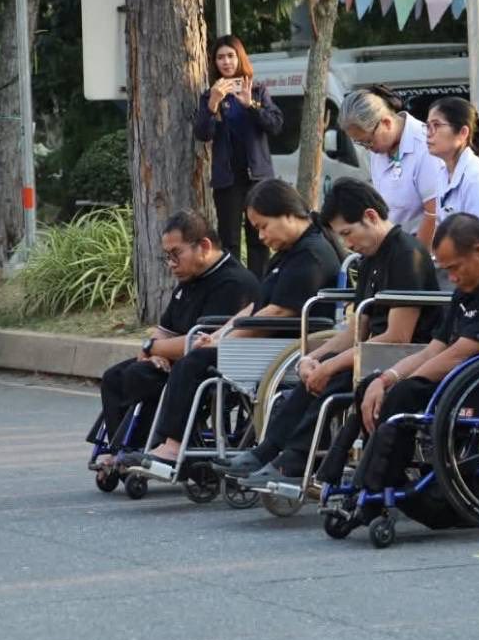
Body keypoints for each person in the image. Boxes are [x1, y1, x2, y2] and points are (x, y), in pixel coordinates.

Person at [219, 179, 439, 484]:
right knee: (314, 372)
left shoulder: (406, 254)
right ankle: (268, 449)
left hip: (404, 355)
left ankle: (293, 462)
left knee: (332, 377)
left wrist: (331, 365)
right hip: (374, 350)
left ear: (371, 217)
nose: (347, 244)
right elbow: (357, 328)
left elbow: (397, 336)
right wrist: (316, 356)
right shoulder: (370, 259)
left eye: (348, 233)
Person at [119, 179, 341, 472]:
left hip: (287, 345)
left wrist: (227, 341)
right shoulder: (288, 253)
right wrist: (219, 334)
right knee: (196, 353)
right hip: (266, 341)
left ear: (288, 214)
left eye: (263, 226)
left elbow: (276, 314)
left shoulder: (311, 255)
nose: (260, 235)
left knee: (194, 362)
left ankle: (173, 447)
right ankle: (158, 443)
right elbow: (257, 305)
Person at [347, 214, 479, 505]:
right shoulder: (464, 294)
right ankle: (362, 480)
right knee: (369, 387)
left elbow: (456, 354)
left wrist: (400, 383)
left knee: (403, 394)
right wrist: (384, 378)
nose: (451, 278)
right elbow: (432, 351)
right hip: (460, 383)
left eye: (454, 268)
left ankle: (376, 486)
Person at [92, 211, 258, 461]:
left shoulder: (233, 283)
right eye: (166, 257)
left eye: (175, 254)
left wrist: (153, 348)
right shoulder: (190, 279)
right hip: (177, 359)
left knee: (142, 376)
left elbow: (200, 341)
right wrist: (153, 353)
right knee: (114, 376)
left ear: (203, 246)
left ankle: (140, 450)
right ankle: (120, 450)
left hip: (211, 363)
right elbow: (165, 330)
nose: (171, 263)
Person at [194, 35, 283, 275]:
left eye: (231, 56)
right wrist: (213, 103)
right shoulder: (210, 95)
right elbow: (202, 134)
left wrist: (250, 105)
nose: (226, 62)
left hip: (258, 177)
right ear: (214, 63)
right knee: (229, 240)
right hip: (228, 180)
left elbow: (275, 125)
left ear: (240, 58)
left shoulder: (257, 90)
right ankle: (234, 290)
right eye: (220, 57)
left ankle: (259, 292)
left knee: (260, 238)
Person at [339, 86, 448, 249]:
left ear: (386, 122)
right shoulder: (379, 150)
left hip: (424, 250)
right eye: (360, 143)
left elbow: (433, 215)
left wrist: (416, 259)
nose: (367, 147)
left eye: (368, 141)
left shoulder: (425, 147)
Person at [427, 96, 479, 224]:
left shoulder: (477, 177)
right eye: (427, 126)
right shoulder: (443, 174)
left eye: (436, 125)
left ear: (463, 133)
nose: (429, 133)